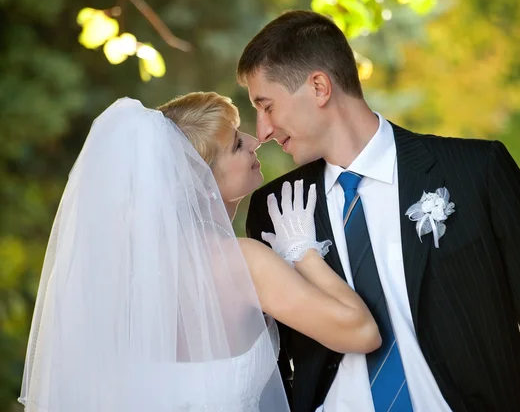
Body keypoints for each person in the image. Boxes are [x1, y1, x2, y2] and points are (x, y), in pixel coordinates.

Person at [238, 10, 520, 412]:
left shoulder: (477, 173)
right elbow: (276, 361)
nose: (262, 129)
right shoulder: (274, 210)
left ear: (319, 87)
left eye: (266, 106)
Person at [18, 93, 380, 412]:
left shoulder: (111, 278)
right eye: (237, 144)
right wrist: (303, 252)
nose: (256, 141)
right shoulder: (241, 263)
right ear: (203, 183)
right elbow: (363, 333)